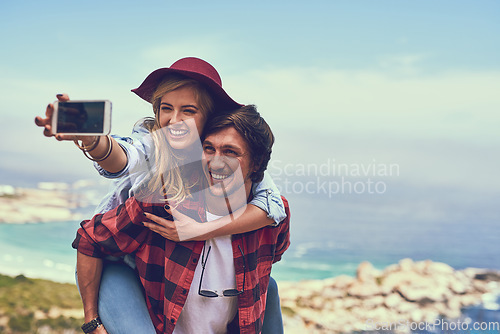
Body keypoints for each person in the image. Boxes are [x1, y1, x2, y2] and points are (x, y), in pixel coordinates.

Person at [35, 58, 286, 332]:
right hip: (115, 260)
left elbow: (271, 206)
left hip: (151, 260)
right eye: (166, 108)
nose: (174, 120)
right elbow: (124, 155)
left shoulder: (242, 172)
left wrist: (201, 231)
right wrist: (92, 140)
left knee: (267, 285)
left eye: (188, 110)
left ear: (210, 118)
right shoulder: (156, 154)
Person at [73, 104, 290, 333]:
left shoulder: (272, 218)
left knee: (271, 287)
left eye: (230, 152)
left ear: (256, 163)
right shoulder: (163, 202)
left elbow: (270, 261)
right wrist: (92, 321)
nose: (215, 162)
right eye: (209, 148)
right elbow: (90, 238)